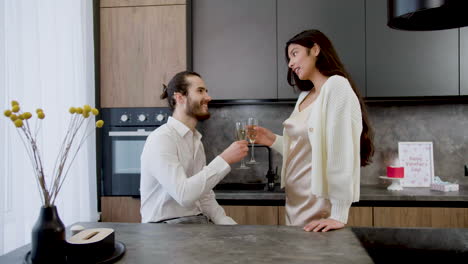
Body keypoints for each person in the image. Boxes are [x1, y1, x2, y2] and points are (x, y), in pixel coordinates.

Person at [254, 30, 374, 232]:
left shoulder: (336, 86)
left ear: (315, 49)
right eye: (288, 58)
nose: (290, 64)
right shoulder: (304, 96)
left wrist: (338, 214)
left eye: (294, 53)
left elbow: (340, 150)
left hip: (318, 202)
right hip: (295, 198)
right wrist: (272, 140)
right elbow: (306, 149)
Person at [140, 71, 249, 224]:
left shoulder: (195, 140)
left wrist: (227, 223)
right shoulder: (162, 138)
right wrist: (224, 159)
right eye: (200, 91)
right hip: (164, 231)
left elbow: (203, 195)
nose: (208, 97)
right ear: (179, 98)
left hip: (194, 225)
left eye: (206, 91)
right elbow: (184, 195)